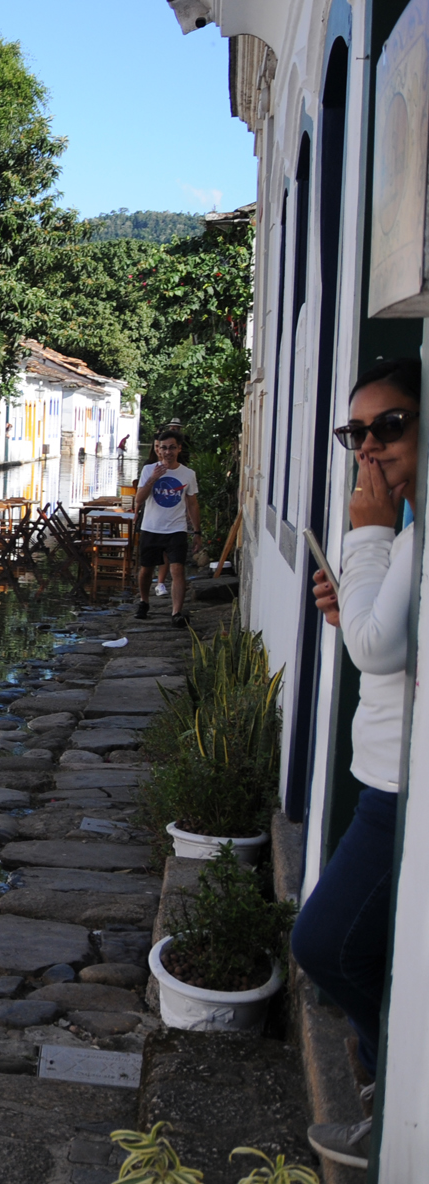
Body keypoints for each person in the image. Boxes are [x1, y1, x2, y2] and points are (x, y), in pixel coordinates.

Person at [301, 356, 419, 1169]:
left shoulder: (405, 532)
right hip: (383, 775)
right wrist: (354, 609)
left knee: (328, 943)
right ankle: (384, 1095)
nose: (369, 448)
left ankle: (392, 1094)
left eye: (391, 426)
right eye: (357, 433)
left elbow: (380, 652)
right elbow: (385, 641)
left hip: (400, 791)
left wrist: (367, 533)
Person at [132, 427, 199, 625]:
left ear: (179, 449)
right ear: (158, 450)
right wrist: (153, 478)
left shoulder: (188, 474)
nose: (167, 452)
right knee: (146, 569)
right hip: (151, 527)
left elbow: (193, 503)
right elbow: (139, 499)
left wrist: (197, 531)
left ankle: (176, 613)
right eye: (163, 448)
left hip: (176, 529)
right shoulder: (147, 470)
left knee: (177, 569)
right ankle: (144, 602)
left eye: (172, 448)